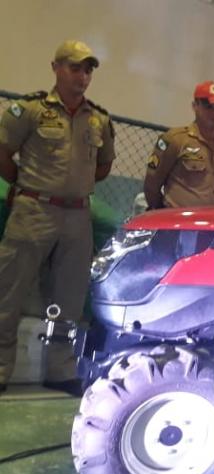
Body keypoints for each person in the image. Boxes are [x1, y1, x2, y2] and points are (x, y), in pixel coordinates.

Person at [0, 40, 116, 396]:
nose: (82, 76)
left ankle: (61, 368)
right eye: (75, 68)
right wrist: (26, 184)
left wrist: (73, 189)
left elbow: (104, 165)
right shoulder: (30, 110)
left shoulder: (99, 118)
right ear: (56, 68)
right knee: (9, 290)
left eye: (88, 70)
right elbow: (3, 151)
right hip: (33, 211)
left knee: (68, 297)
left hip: (77, 218)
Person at [144, 80, 214, 209]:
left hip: (213, 227)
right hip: (178, 225)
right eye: (209, 106)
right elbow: (152, 185)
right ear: (195, 106)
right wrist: (164, 214)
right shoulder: (176, 140)